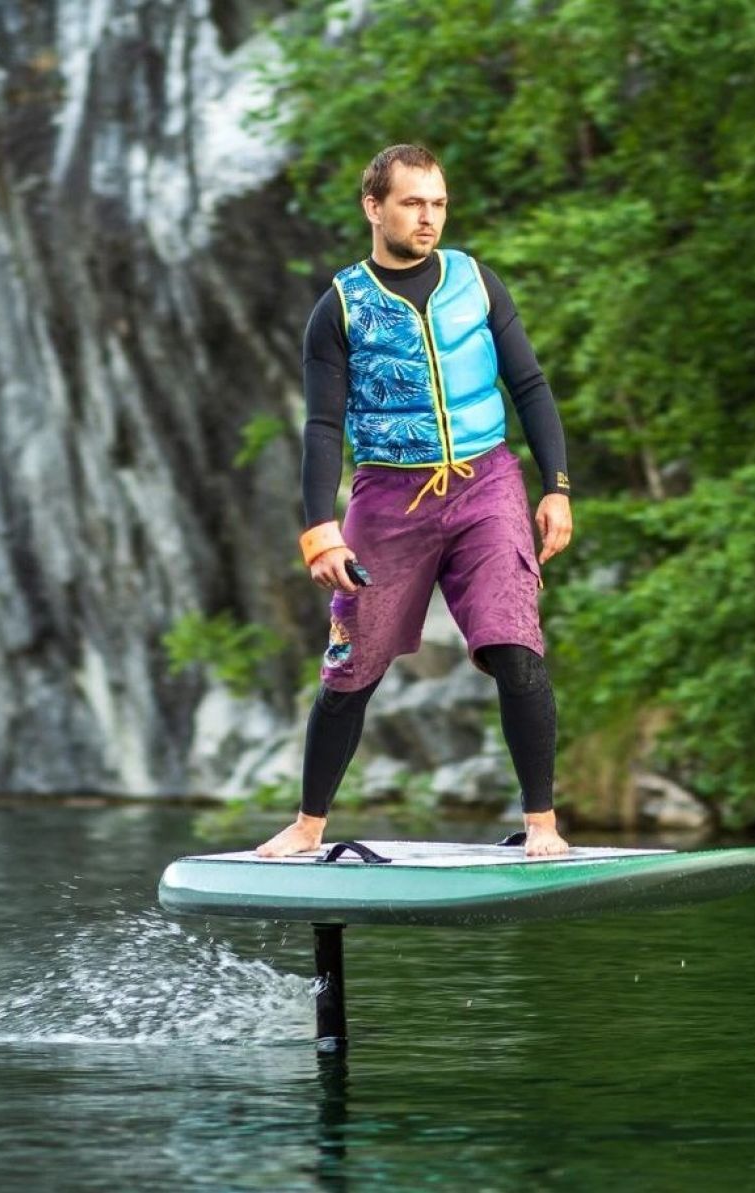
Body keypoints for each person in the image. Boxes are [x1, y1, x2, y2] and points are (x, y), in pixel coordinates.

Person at [257, 144, 573, 859]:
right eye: (412, 203)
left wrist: (555, 488)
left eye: (437, 203)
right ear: (375, 207)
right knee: (350, 667)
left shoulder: (477, 282)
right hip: (389, 495)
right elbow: (322, 427)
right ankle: (309, 824)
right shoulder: (339, 307)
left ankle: (543, 824)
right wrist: (320, 530)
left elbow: (530, 386)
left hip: (486, 482)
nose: (428, 217)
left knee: (515, 645)